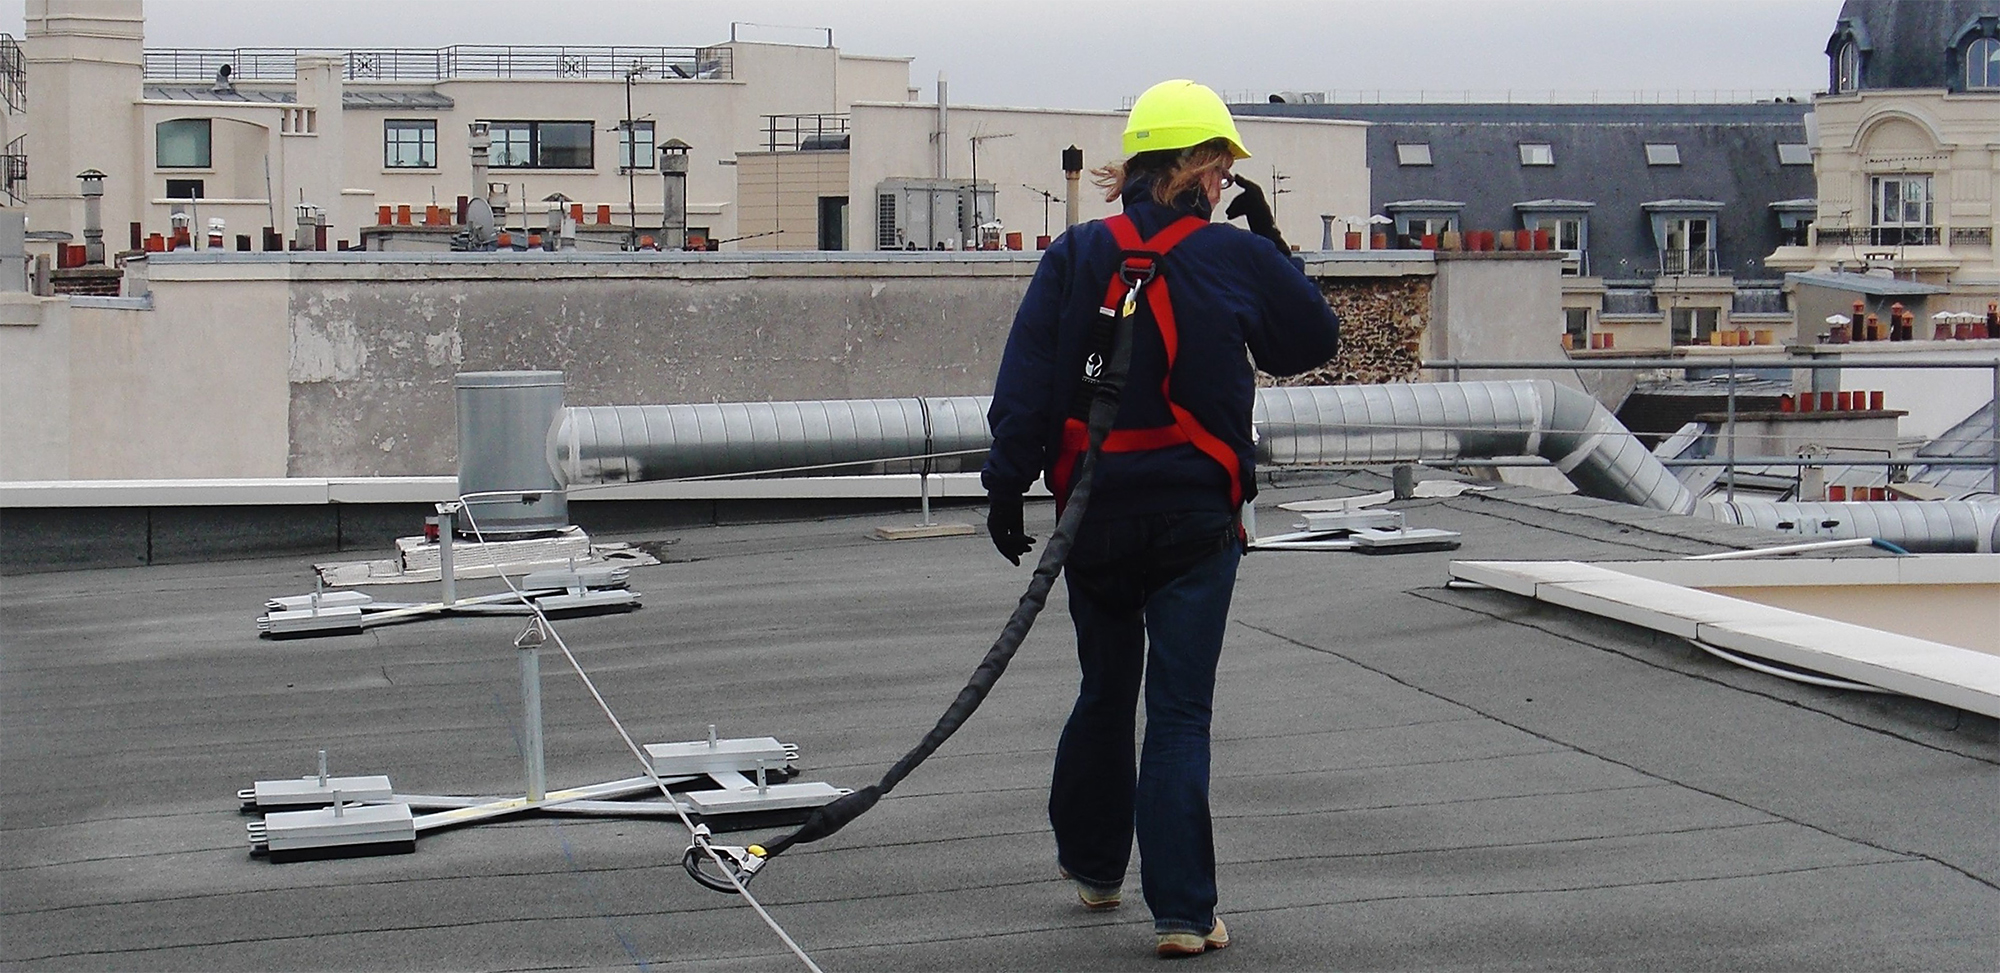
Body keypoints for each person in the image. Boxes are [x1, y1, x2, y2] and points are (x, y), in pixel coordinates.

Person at [980, 79, 1340, 958]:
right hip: (1194, 521)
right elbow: (1310, 342)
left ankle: (1096, 870)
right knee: (1178, 712)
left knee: (1104, 689)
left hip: (1093, 517)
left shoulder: (1074, 254)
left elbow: (1026, 383)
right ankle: (1182, 912)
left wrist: (1005, 485)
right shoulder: (1231, 258)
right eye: (1221, 168)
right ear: (1197, 165)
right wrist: (1271, 245)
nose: (1223, 183)